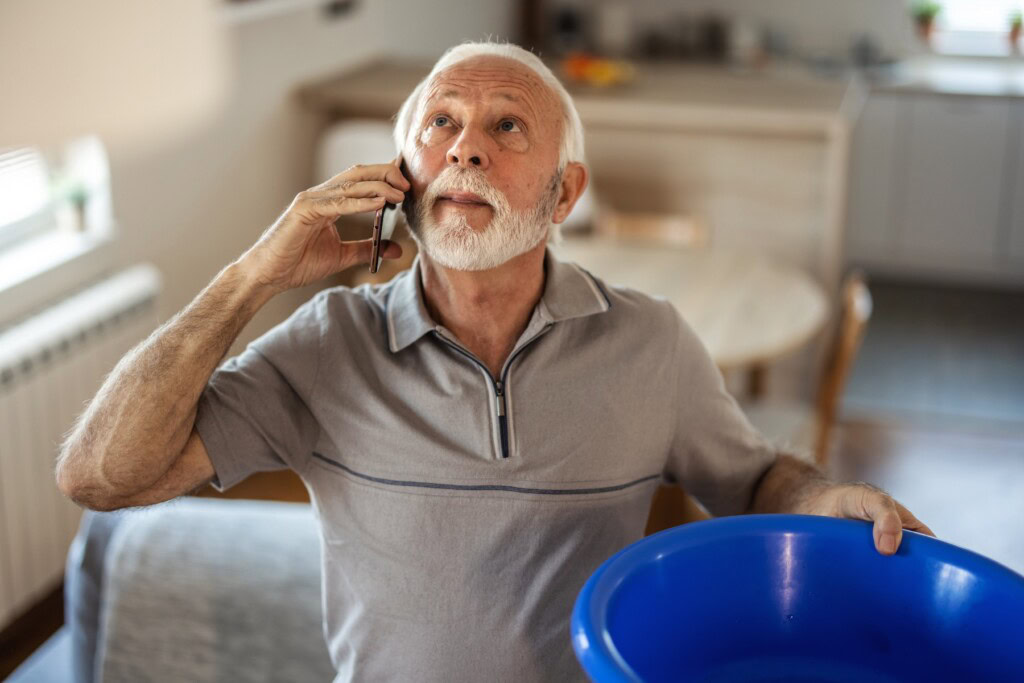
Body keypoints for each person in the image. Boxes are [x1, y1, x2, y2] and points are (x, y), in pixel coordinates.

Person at [56, 40, 934, 682]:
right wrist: (252, 276)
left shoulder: (650, 342)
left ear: (564, 194)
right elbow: (99, 475)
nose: (465, 147)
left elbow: (754, 480)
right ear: (404, 172)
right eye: (441, 124)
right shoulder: (329, 345)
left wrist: (822, 498)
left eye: (507, 127)